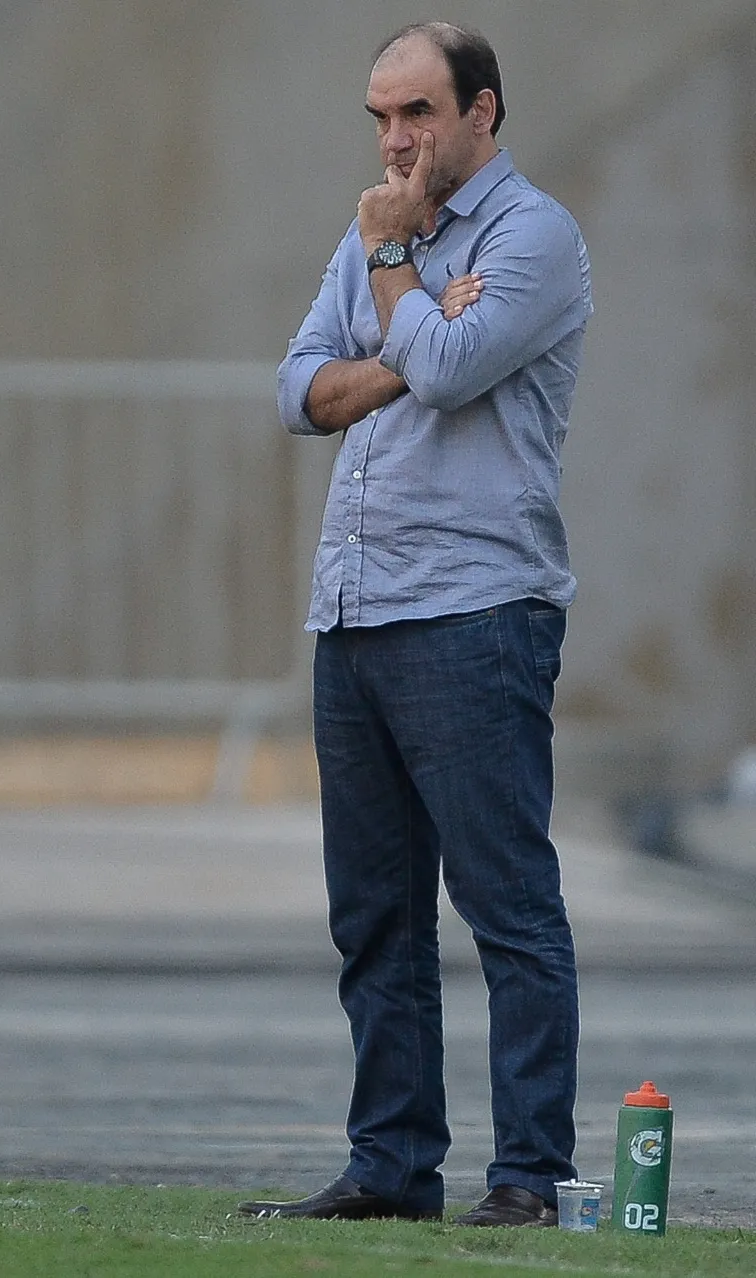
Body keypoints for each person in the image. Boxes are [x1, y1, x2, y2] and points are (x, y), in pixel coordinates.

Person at [238, 22, 593, 1228]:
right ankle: (391, 1167)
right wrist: (412, 331)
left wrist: (398, 295)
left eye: (418, 113)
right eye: (381, 118)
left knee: (508, 907)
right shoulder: (377, 237)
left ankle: (529, 1176)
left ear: (483, 111)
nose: (395, 141)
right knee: (375, 919)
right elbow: (299, 391)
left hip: (475, 609)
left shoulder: (534, 237)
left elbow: (447, 373)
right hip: (355, 608)